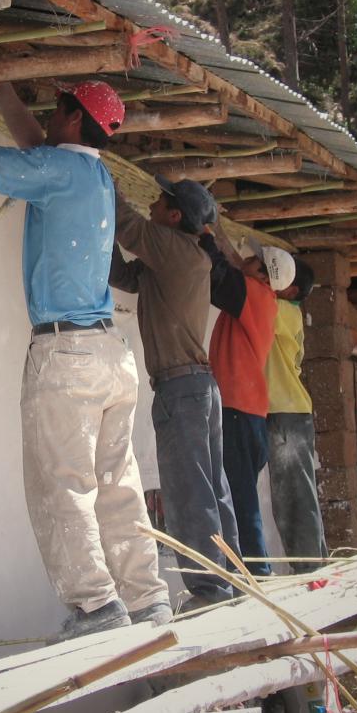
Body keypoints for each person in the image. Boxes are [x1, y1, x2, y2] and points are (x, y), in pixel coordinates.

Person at [0, 81, 172, 641]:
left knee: (63, 485)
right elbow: (38, 145)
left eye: (54, 108)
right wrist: (2, 90)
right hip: (110, 352)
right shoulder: (95, 176)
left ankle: (95, 604)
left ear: (70, 117)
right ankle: (147, 598)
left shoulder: (58, 171)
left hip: (66, 356)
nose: (46, 114)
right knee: (117, 484)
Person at [109, 176, 239, 609]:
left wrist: (103, 179)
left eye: (159, 203)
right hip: (196, 387)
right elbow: (126, 277)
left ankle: (209, 591)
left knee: (188, 493)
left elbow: (129, 225)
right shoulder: (180, 256)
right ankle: (232, 582)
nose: (152, 207)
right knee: (212, 490)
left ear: (175, 216)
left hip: (181, 390)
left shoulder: (172, 248)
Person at [199, 225, 295, 571]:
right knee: (239, 496)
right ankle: (250, 572)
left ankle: (258, 574)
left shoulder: (253, 294)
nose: (247, 262)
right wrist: (216, 231)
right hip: (247, 413)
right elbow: (233, 267)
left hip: (239, 412)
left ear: (264, 277)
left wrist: (202, 233)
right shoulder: (258, 295)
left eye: (255, 262)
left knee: (242, 500)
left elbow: (220, 275)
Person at [263, 258, 330, 574]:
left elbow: (253, 296)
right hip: (290, 410)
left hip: (285, 411)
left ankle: (309, 569)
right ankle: (315, 563)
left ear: (290, 288)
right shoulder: (287, 311)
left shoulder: (283, 311)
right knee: (298, 492)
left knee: (293, 497)